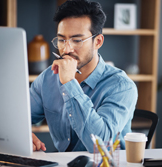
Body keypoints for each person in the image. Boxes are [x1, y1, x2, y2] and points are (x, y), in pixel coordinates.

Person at [30, 0, 138, 153]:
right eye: (61, 40)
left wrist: (69, 83)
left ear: (98, 41)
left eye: (77, 40)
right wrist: (25, 134)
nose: (66, 49)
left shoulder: (122, 86)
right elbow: (17, 118)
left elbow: (100, 146)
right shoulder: (48, 77)